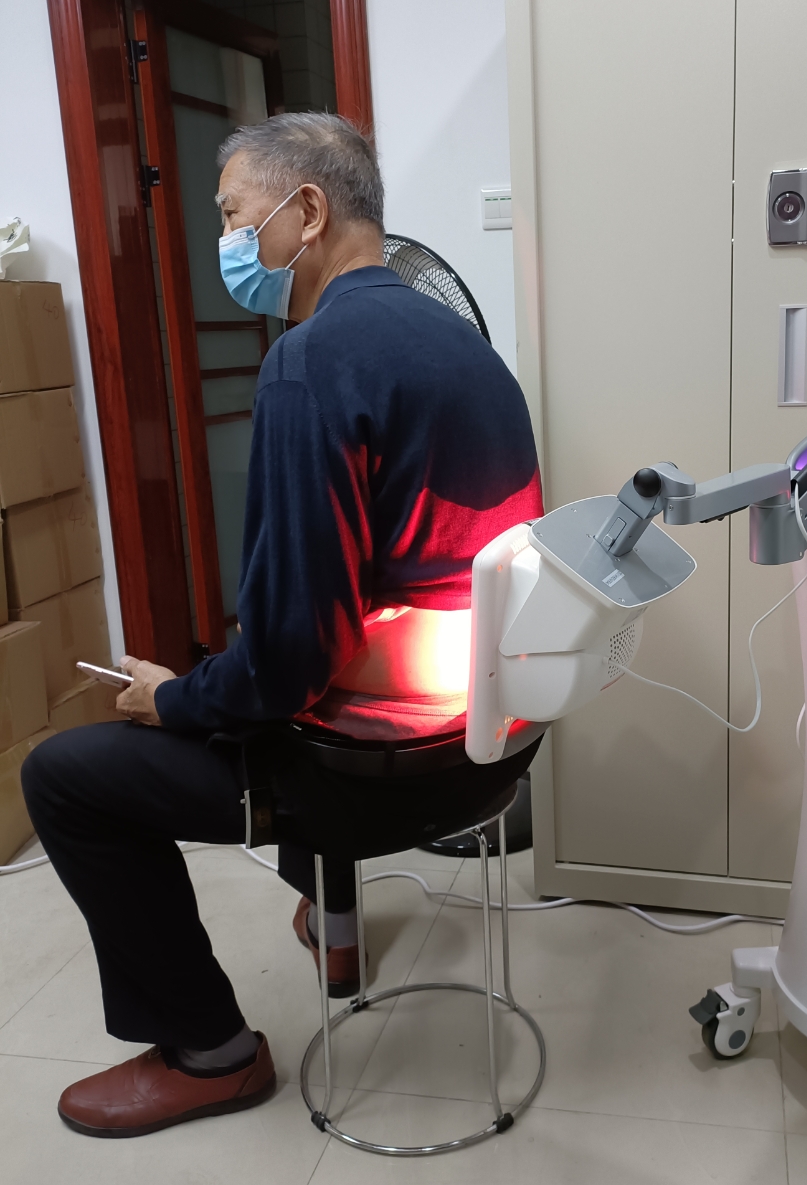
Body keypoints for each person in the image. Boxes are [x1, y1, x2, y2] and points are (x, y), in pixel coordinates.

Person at [20, 112, 543, 1138]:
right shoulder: (472, 352)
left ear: (307, 211)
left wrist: (173, 698)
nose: (225, 241)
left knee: (65, 777)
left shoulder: (309, 365)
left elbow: (287, 666)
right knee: (298, 658)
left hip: (373, 778)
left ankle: (211, 1054)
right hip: (493, 748)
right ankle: (332, 923)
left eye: (232, 215)